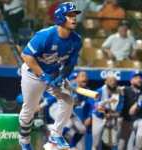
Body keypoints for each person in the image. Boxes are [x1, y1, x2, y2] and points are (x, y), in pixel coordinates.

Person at [18, 2, 82, 150]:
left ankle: (56, 134)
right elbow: (26, 55)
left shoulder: (76, 40)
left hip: (53, 73)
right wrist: (42, 75)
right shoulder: (45, 35)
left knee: (68, 100)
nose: (74, 18)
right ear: (60, 18)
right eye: (70, 15)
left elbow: (70, 64)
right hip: (33, 74)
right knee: (29, 110)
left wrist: (62, 76)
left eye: (75, 15)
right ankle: (24, 141)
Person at [42, 71, 92, 150]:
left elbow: (91, 103)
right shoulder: (71, 87)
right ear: (77, 79)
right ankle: (50, 143)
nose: (85, 78)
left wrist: (91, 114)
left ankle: (72, 147)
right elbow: (54, 96)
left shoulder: (87, 90)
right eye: (82, 76)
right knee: (68, 123)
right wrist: (41, 106)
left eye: (86, 76)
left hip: (68, 111)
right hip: (57, 108)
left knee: (82, 129)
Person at [90, 75, 123, 150]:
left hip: (112, 116)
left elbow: (120, 108)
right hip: (99, 116)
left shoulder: (119, 92)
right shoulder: (100, 90)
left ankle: (115, 146)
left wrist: (111, 114)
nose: (112, 82)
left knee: (120, 120)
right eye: (110, 81)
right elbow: (94, 103)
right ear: (106, 82)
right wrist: (106, 101)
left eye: (114, 81)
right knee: (96, 144)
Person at [118, 71, 142, 150]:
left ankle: (137, 148)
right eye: (136, 78)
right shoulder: (125, 89)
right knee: (122, 143)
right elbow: (116, 90)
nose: (139, 80)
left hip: (139, 119)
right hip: (127, 120)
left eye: (140, 78)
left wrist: (138, 103)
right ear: (131, 81)